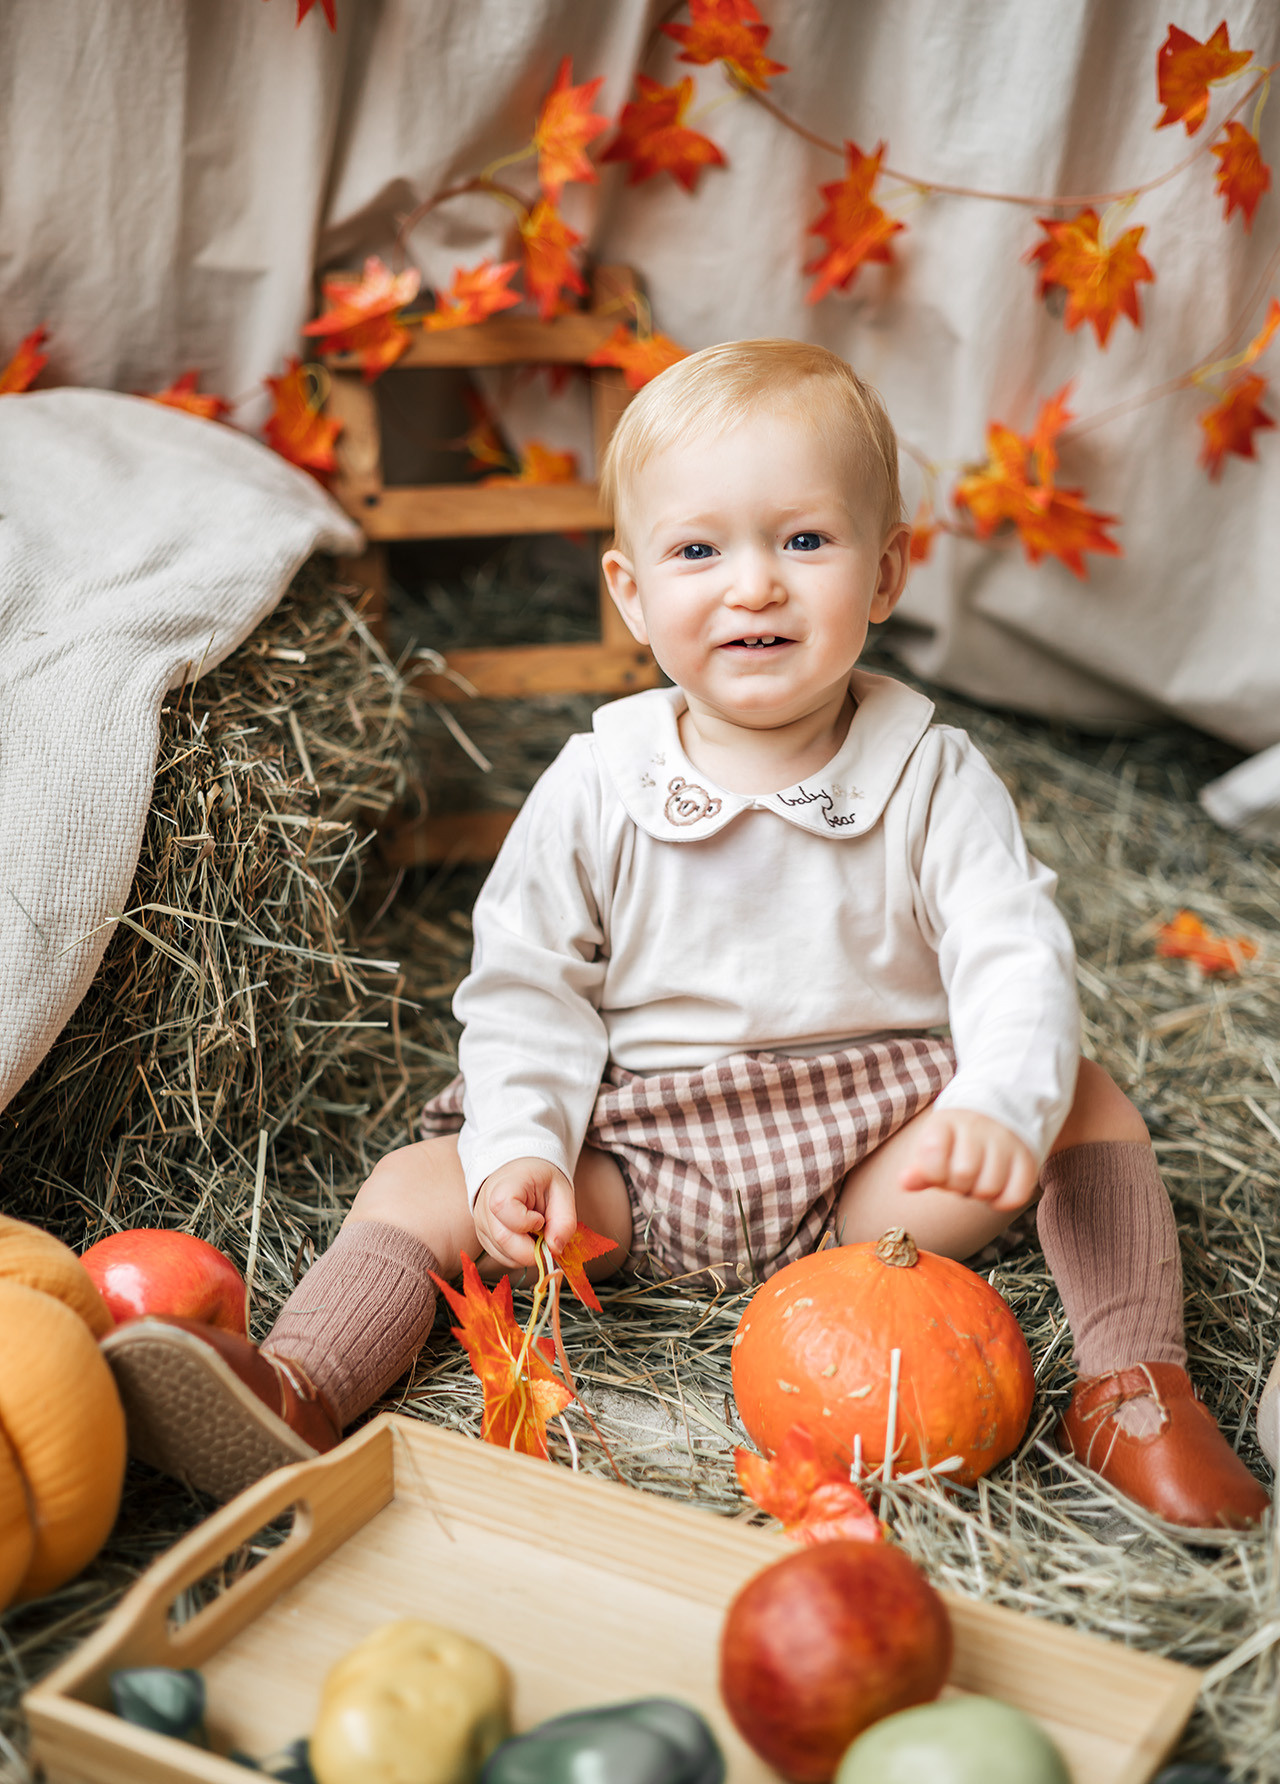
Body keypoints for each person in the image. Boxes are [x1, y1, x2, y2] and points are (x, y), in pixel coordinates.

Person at [104, 339, 1270, 1529]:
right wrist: (523, 1151)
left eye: (803, 541)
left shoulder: (930, 772)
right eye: (698, 550)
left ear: (883, 573)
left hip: (872, 1178)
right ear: (631, 592)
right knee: (419, 1181)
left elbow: (1010, 952)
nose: (753, 585)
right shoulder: (598, 780)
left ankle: (1133, 1388)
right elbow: (527, 990)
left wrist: (997, 1106)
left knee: (1082, 1094)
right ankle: (301, 1389)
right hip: (632, 1165)